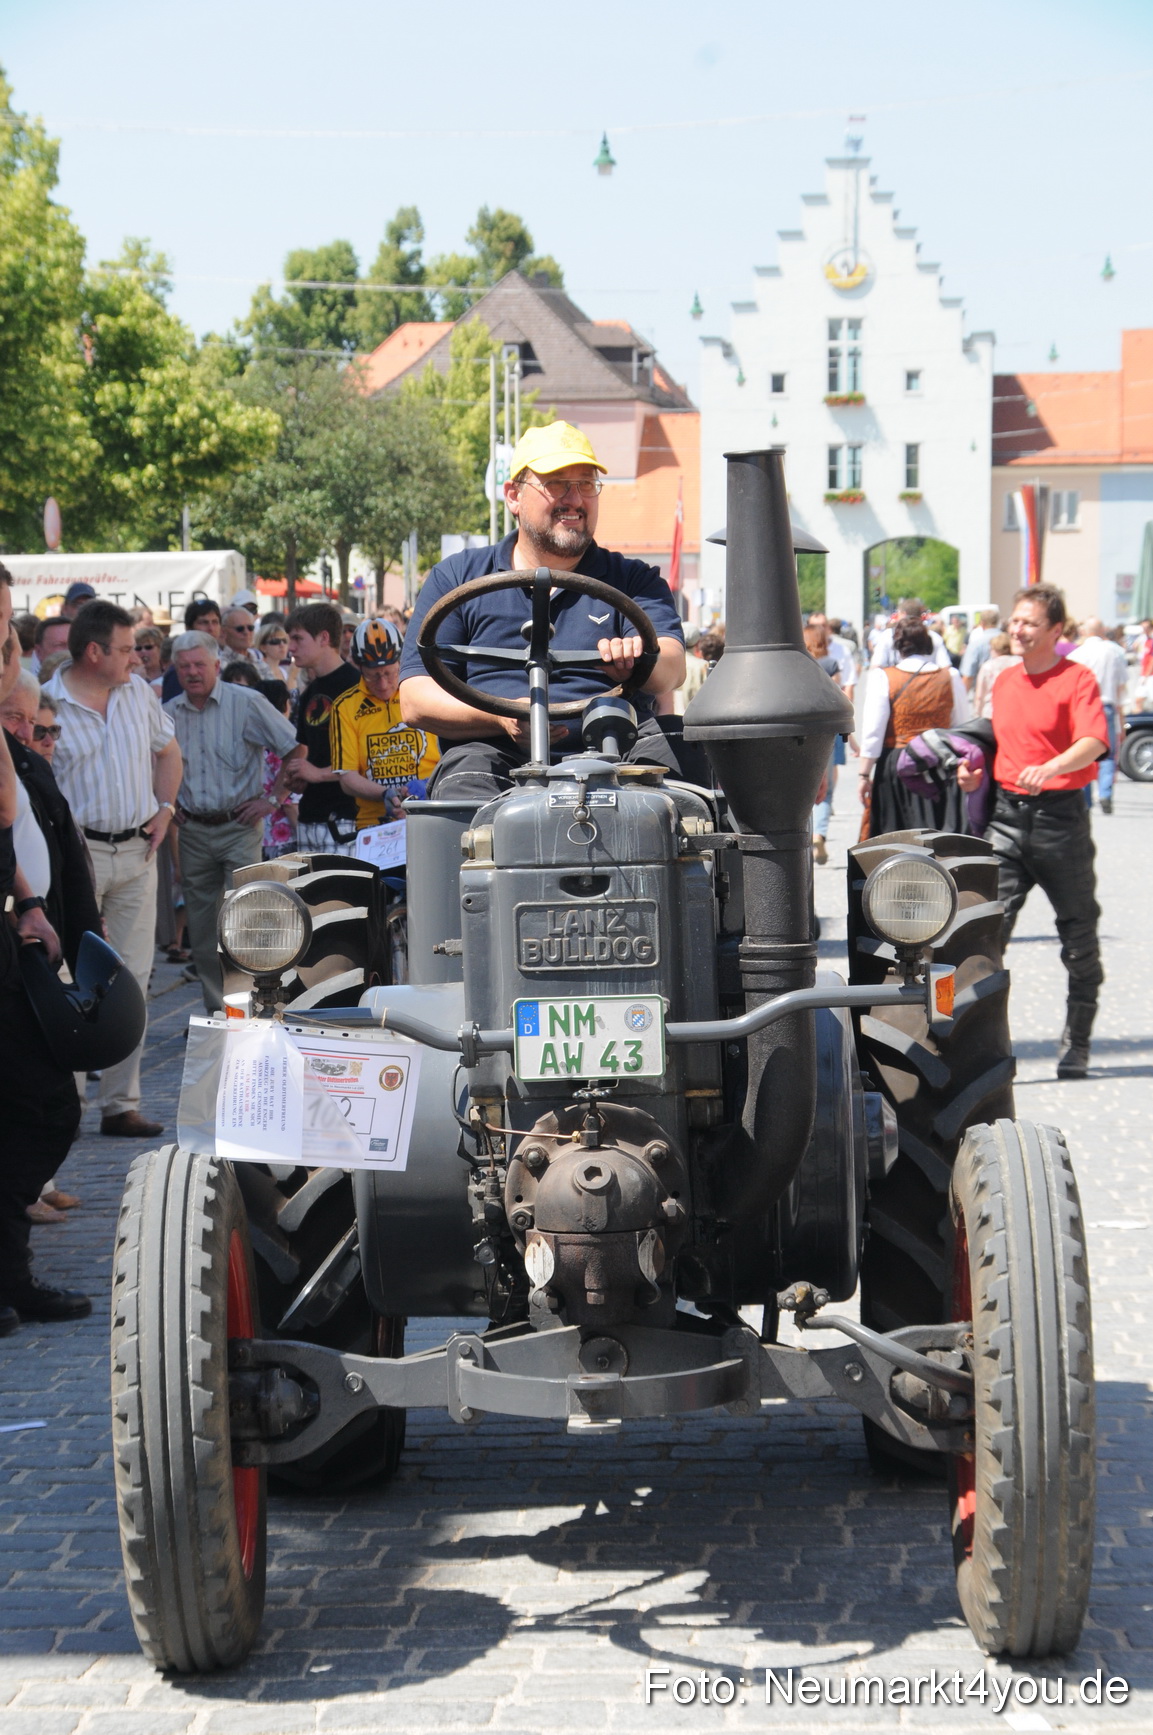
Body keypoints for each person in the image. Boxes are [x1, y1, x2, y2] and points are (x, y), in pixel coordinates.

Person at [398, 421, 686, 800]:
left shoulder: (633, 580)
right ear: (514, 496)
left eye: (586, 484)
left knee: (679, 769)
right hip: (493, 754)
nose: (575, 499)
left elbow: (673, 665)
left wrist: (640, 663)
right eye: (556, 483)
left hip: (615, 744)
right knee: (463, 789)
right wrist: (500, 716)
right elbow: (415, 699)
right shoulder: (457, 578)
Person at [42, 602, 181, 1138]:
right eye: (126, 649)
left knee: (131, 981)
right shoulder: (48, 703)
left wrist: (165, 811)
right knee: (70, 980)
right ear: (94, 651)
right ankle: (70, 1104)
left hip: (136, 853)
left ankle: (121, 1103)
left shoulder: (137, 696)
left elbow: (169, 754)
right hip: (77, 860)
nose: (138, 657)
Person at [958, 584, 1109, 1079]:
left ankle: (1078, 1042)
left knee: (1078, 936)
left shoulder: (1077, 679)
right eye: (1014, 622)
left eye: (1028, 623)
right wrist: (975, 776)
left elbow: (1094, 741)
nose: (1017, 631)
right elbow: (1002, 745)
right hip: (1005, 817)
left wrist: (1053, 766)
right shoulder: (1004, 680)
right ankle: (984, 1046)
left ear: (1055, 631)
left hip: (1060, 821)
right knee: (983, 933)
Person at [0, 570, 89, 1326]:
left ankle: (11, 1276)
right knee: (39, 1104)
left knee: (45, 1105)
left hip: (20, 943)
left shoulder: (18, 749)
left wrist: (34, 904)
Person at [165, 630, 304, 1012]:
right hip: (192, 829)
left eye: (199, 665)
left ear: (216, 665)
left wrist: (272, 800)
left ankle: (256, 1006)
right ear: (175, 670)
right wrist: (166, 803)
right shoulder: (168, 713)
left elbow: (294, 748)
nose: (192, 673)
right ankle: (219, 1010)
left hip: (240, 827)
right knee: (204, 928)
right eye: (184, 667)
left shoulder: (246, 703)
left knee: (248, 921)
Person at [858, 613, 969, 835]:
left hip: (897, 763)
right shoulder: (951, 677)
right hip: (939, 764)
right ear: (928, 644)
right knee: (939, 837)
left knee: (896, 838)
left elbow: (873, 732)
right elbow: (961, 726)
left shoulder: (884, 678)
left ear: (898, 646)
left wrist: (864, 774)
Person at [331, 619, 439, 830]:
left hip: (429, 812)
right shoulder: (344, 706)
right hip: (375, 823)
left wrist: (428, 786)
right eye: (373, 676)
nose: (382, 684)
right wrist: (385, 794)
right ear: (358, 667)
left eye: (390, 673)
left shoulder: (423, 693)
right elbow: (347, 777)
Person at [285, 602, 361, 855]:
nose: (290, 647)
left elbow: (368, 761)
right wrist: (298, 777)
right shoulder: (310, 693)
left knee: (340, 894)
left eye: (297, 638)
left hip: (344, 818)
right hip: (309, 816)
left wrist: (317, 773)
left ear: (324, 638)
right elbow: (311, 752)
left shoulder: (356, 687)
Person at [1069, 617, 1129, 814]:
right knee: (1109, 753)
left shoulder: (1078, 654)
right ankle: (1105, 793)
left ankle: (1086, 799)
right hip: (1108, 705)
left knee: (1084, 752)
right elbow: (1121, 687)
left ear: (1085, 631)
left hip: (1084, 707)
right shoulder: (1114, 653)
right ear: (1102, 630)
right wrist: (1122, 719)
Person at [805, 621, 845, 864]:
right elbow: (838, 697)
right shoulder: (830, 664)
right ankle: (819, 832)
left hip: (803, 730)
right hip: (828, 729)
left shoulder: (799, 664)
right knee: (826, 787)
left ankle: (807, 832)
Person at [869, 598, 953, 670]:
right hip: (927, 685)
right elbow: (945, 667)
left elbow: (876, 666)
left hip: (896, 685)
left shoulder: (888, 635)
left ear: (903, 614)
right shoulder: (934, 637)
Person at [972, 631, 1018, 720]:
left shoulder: (988, 666)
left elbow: (979, 695)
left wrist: (977, 715)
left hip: (991, 712)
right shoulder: (1019, 663)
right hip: (1014, 711)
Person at [220, 606, 271, 677]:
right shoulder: (219, 665)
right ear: (223, 632)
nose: (246, 632)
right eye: (240, 629)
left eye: (250, 628)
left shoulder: (261, 664)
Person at [960, 609, 1001, 691]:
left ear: (982, 623)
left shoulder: (976, 644)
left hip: (984, 692)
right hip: (1008, 690)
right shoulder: (1010, 640)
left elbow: (968, 675)